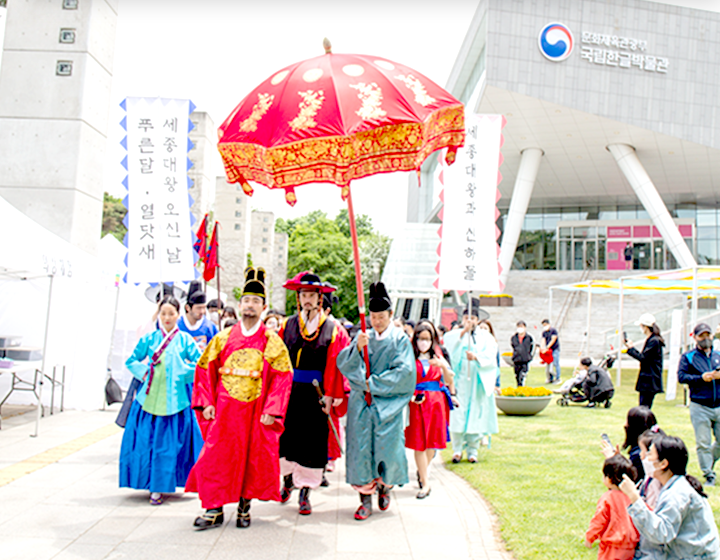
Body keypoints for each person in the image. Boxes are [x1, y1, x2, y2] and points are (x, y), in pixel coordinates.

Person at [185, 267, 293, 530]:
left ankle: (245, 506)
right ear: (240, 304)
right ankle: (214, 508)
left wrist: (273, 407)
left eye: (256, 301)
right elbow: (204, 370)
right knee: (216, 457)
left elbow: (282, 376)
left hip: (255, 410)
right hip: (225, 410)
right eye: (246, 300)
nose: (250, 306)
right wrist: (207, 401)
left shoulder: (272, 341)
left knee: (251, 458)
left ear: (264, 307)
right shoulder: (223, 338)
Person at [337, 281, 415, 521]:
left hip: (387, 406)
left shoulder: (399, 339)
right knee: (361, 450)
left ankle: (385, 486)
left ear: (390, 315)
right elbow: (344, 363)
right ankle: (364, 501)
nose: (377, 321)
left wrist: (373, 383)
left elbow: (405, 372)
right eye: (373, 316)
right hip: (362, 404)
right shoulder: (363, 336)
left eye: (381, 316)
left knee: (386, 450)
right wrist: (357, 350)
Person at [276, 272, 349, 515]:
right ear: (298, 298)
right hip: (290, 393)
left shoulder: (333, 329)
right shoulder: (287, 325)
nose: (307, 300)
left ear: (320, 299)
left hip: (316, 393)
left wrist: (331, 395)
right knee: (287, 439)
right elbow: (277, 360)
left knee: (311, 442)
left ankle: (305, 491)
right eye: (303, 295)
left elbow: (336, 364)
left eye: (312, 296)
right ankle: (287, 480)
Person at [119, 295, 203, 505]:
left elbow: (200, 363)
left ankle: (164, 485)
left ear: (178, 315)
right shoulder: (149, 339)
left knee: (169, 447)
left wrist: (185, 372)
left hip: (176, 401)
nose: (167, 318)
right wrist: (144, 372)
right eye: (163, 313)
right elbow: (132, 360)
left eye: (171, 313)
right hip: (149, 400)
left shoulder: (185, 340)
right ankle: (153, 487)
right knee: (147, 445)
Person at [619, 435, 720, 560]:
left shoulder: (677, 494)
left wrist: (634, 498)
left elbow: (661, 534)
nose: (645, 457)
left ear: (663, 464)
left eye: (650, 454)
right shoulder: (673, 486)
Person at [405, 321, 455, 499]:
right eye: (420, 338)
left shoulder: (438, 357)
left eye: (427, 339)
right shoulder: (410, 358)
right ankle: (425, 483)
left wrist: (443, 366)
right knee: (419, 442)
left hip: (436, 403)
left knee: (432, 443)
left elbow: (449, 379)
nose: (423, 342)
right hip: (418, 402)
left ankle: (422, 471)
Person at [445, 304, 499, 463]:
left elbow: (491, 355)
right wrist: (462, 334)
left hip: (476, 381)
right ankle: (456, 449)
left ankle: (472, 450)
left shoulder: (485, 337)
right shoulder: (454, 335)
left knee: (475, 413)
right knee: (458, 414)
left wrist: (476, 357)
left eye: (473, 318)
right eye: (467, 318)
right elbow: (448, 351)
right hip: (460, 380)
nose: (470, 321)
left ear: (478, 320)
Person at [678, 322, 720, 487]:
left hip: (718, 403)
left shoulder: (717, 355)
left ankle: (708, 460)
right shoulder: (689, 357)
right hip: (700, 405)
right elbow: (682, 377)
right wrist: (701, 378)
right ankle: (708, 473)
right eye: (701, 336)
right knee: (703, 441)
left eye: (707, 335)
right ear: (695, 337)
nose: (705, 339)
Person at [584, 454, 640, 560]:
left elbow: (599, 520)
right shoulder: (632, 496)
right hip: (631, 545)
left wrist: (590, 536)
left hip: (612, 546)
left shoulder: (608, 498)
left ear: (609, 479)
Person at [321, 288, 351, 481]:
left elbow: (344, 362)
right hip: (308, 383)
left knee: (328, 427)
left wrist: (340, 390)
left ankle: (326, 462)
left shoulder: (336, 331)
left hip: (330, 383)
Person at [602, 406, 657, 481]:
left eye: (627, 421)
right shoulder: (656, 444)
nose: (625, 425)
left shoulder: (639, 455)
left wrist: (612, 460)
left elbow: (627, 482)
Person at [625, 313, 664, 408]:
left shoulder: (654, 341)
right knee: (644, 406)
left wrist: (631, 349)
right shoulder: (653, 340)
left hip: (649, 379)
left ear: (645, 327)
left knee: (644, 406)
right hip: (649, 378)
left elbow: (643, 358)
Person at [178, 280, 219, 351]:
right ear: (187, 308)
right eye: (198, 308)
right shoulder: (178, 325)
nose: (202, 311)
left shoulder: (209, 326)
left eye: (203, 308)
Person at [510, 320, 534, 387]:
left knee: (522, 375)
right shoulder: (514, 338)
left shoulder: (529, 338)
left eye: (521, 326)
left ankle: (522, 385)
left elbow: (531, 347)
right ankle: (519, 387)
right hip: (517, 359)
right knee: (517, 376)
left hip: (525, 360)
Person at [540, 319, 561, 384]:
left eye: (546, 325)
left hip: (554, 349)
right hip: (548, 351)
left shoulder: (553, 331)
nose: (545, 326)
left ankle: (558, 378)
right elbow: (543, 340)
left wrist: (547, 347)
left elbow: (553, 340)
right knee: (549, 364)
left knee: (555, 363)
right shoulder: (544, 332)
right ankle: (550, 378)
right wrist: (542, 348)